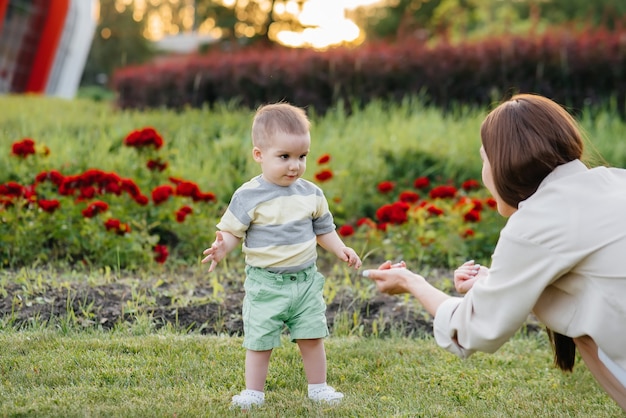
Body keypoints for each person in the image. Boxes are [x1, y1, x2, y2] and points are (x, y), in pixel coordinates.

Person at [363, 93, 626, 410]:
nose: (483, 171)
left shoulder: (535, 221)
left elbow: (473, 330)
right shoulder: (616, 180)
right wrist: (495, 283)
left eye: (484, 159)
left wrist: (411, 282)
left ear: (502, 163)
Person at [201, 102, 362, 409]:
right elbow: (234, 231)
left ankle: (319, 388)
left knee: (312, 336)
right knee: (260, 340)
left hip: (305, 282)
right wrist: (222, 248)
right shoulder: (248, 196)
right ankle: (253, 392)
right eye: (284, 157)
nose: (295, 165)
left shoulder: (311, 194)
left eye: (302, 157)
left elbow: (323, 230)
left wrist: (341, 248)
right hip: (266, 284)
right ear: (259, 155)